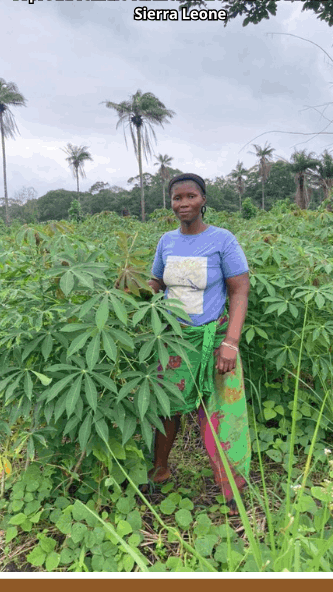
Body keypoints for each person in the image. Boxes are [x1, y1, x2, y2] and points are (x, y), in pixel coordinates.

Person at [146, 173, 252, 515]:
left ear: (203, 200)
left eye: (191, 196)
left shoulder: (223, 240)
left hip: (213, 338)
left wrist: (231, 342)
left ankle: (231, 488)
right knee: (167, 409)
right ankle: (160, 470)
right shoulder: (167, 241)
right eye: (177, 198)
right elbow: (156, 284)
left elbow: (239, 290)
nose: (184, 203)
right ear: (171, 203)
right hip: (174, 340)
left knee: (221, 413)